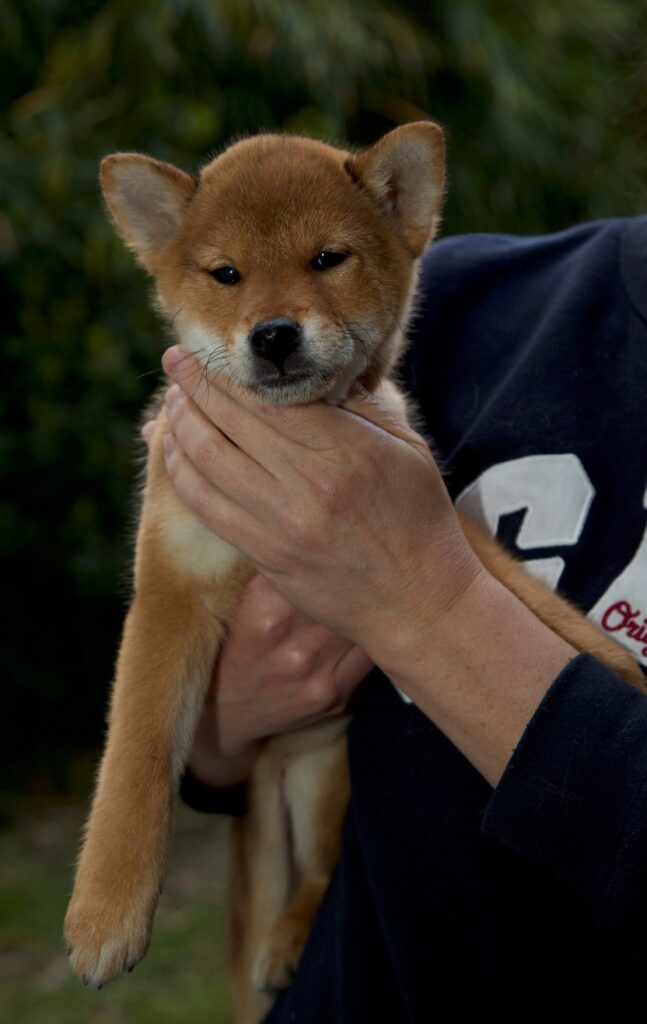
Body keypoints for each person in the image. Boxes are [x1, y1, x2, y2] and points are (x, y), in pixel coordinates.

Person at [160, 217, 647, 1017]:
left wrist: (427, 607)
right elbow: (220, 740)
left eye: (325, 259)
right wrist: (215, 721)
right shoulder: (443, 301)